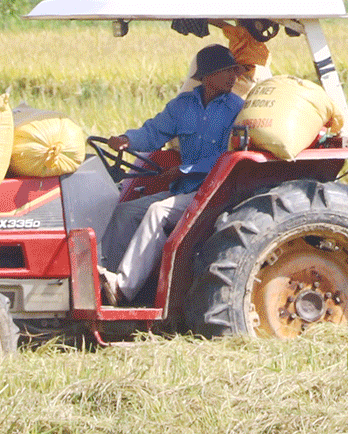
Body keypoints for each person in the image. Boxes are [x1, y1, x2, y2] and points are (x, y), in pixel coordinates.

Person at [97, 43, 251, 304]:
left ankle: (124, 288)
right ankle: (105, 281)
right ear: (207, 76)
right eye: (226, 71)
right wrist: (127, 140)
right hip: (183, 189)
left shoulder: (237, 109)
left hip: (213, 192)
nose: (233, 77)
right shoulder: (183, 106)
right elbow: (154, 133)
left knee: (158, 211)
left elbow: (227, 155)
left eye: (234, 71)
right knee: (126, 211)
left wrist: (183, 169)